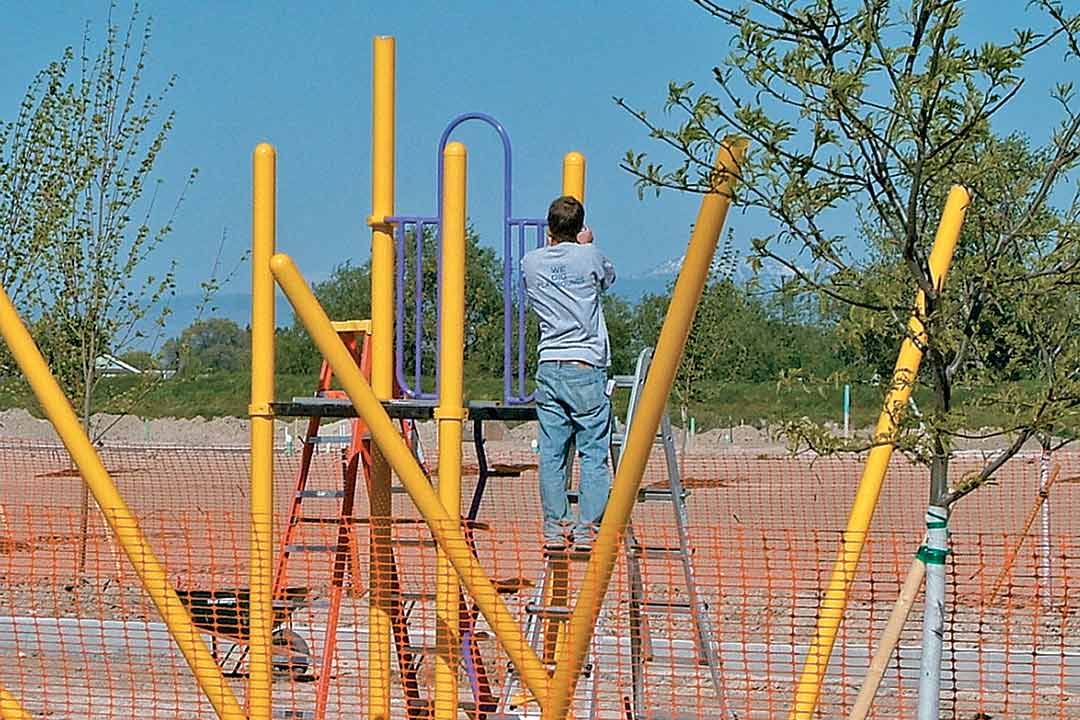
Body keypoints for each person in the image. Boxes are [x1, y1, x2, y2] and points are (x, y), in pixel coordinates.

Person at [521, 195, 616, 552]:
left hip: (549, 365)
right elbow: (608, 278)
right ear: (580, 229)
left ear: (549, 229)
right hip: (585, 364)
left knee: (552, 453)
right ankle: (587, 530)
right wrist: (586, 246)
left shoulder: (530, 262)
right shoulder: (589, 255)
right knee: (593, 453)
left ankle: (554, 527)